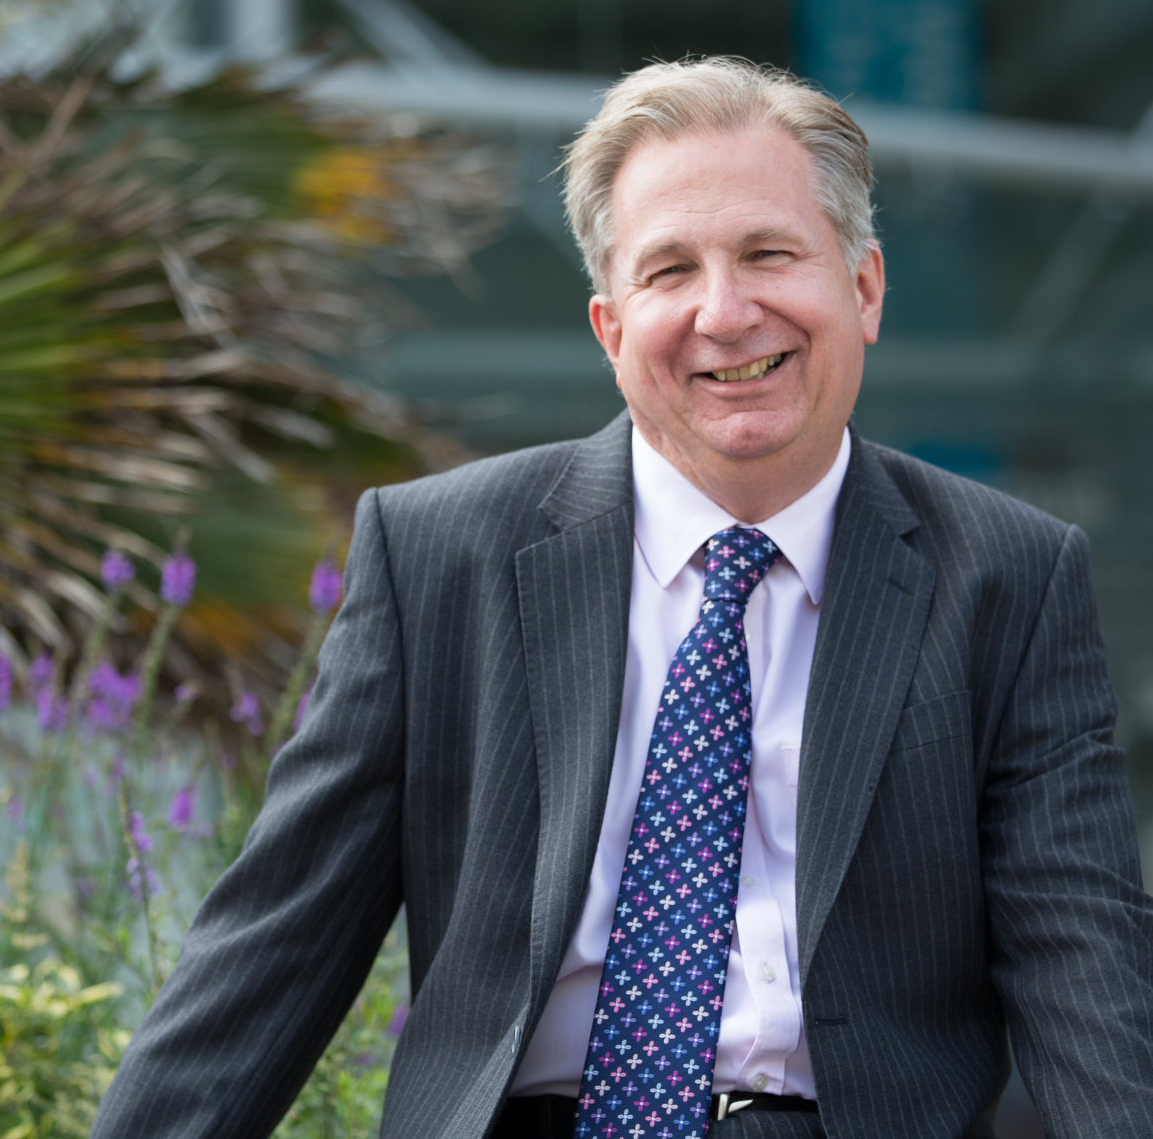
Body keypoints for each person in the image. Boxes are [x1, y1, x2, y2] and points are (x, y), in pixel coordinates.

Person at [89, 58, 1153, 1139]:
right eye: (669, 271)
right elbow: (275, 947)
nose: (725, 312)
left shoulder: (1007, 576)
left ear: (864, 287)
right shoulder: (438, 558)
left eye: (769, 253)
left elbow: (1082, 966)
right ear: (608, 328)